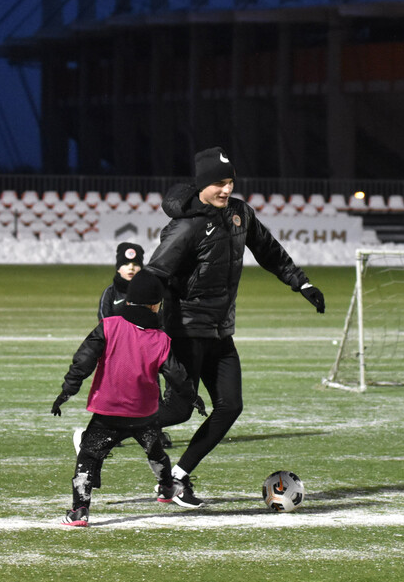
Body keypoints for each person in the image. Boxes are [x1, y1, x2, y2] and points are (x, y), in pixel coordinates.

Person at [143, 146, 326, 507]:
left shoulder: (241, 213)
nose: (226, 190)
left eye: (229, 182)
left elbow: (270, 251)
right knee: (178, 410)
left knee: (230, 406)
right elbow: (156, 274)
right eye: (218, 183)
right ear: (201, 185)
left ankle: (177, 478)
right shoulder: (186, 226)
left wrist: (301, 283)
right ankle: (99, 433)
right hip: (185, 330)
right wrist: (141, 319)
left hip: (221, 330)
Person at [50, 270, 203, 521]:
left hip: (108, 410)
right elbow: (176, 375)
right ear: (156, 305)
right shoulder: (162, 339)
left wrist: (68, 390)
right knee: (155, 451)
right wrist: (192, 396)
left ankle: (79, 510)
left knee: (88, 456)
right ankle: (166, 488)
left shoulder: (109, 326)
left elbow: (84, 360)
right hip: (144, 412)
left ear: (128, 301)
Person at [98, 242, 144, 322]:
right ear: (118, 269)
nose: (131, 268)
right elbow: (104, 321)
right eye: (126, 264)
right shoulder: (110, 292)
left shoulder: (149, 291)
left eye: (135, 264)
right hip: (117, 334)